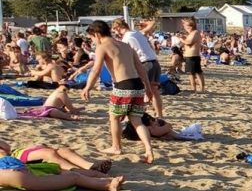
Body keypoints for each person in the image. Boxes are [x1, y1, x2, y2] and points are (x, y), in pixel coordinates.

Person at [81, 20, 156, 163]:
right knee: (137, 120)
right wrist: (147, 87)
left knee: (114, 117)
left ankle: (116, 146)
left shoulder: (103, 47)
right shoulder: (126, 46)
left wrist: (87, 87)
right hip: (137, 85)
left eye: (91, 38)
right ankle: (148, 150)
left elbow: (96, 70)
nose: (92, 41)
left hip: (123, 86)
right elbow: (140, 68)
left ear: (96, 34)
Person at [0, 140, 124, 191]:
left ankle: (102, 178)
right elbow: (7, 148)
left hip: (9, 172)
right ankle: (107, 184)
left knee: (64, 173)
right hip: (14, 168)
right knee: (72, 176)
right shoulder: (6, 152)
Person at [112, 18, 164, 118]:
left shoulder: (126, 38)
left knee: (143, 92)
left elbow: (128, 56)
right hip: (154, 62)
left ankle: (141, 116)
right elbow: (151, 25)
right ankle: (160, 115)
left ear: (118, 27)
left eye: (114, 30)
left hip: (144, 64)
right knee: (154, 92)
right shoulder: (137, 33)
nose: (115, 32)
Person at [2, 140, 112, 174]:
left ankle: (90, 166)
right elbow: (6, 151)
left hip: (17, 152)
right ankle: (76, 171)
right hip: (13, 159)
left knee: (65, 151)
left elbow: (8, 147)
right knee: (49, 153)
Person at [181, 17, 206, 92]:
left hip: (193, 55)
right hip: (189, 56)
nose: (184, 27)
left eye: (185, 25)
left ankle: (202, 89)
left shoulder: (195, 32)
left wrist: (182, 39)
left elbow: (189, 42)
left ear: (190, 26)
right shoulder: (191, 33)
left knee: (198, 72)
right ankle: (193, 88)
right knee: (190, 73)